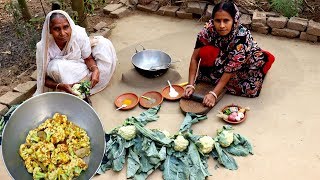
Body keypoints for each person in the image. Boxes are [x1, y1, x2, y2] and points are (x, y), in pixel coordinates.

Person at [184, 1, 274, 107]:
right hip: (224, 57)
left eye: (226, 20)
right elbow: (195, 58)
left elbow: (230, 69)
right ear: (213, 20)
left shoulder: (242, 37)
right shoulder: (208, 30)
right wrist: (190, 85)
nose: (222, 25)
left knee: (249, 87)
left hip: (243, 62)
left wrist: (214, 93)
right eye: (218, 21)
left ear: (234, 20)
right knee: (207, 67)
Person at [34, 10, 117, 96]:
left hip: (82, 65)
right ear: (50, 30)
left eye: (66, 27)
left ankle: (89, 83)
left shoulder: (78, 34)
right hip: (66, 74)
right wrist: (60, 86)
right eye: (56, 29)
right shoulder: (43, 47)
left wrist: (95, 70)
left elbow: (87, 58)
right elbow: (44, 79)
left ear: (70, 26)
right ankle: (76, 88)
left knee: (104, 44)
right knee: (55, 67)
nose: (62, 33)